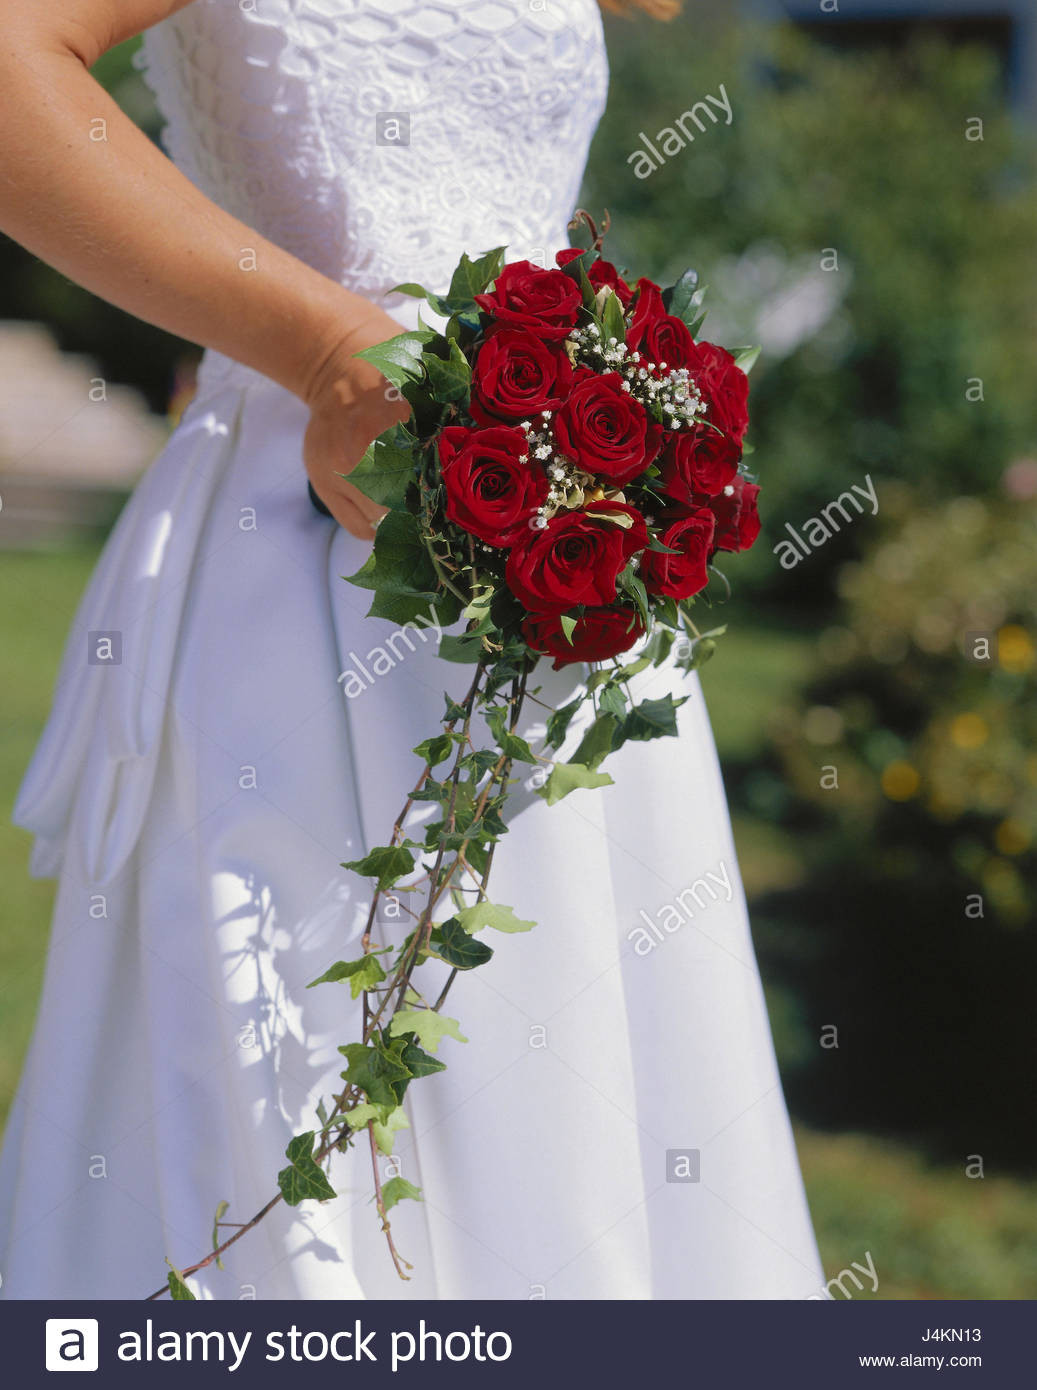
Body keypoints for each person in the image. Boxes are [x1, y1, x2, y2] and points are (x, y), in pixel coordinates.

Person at [0, 0, 824, 1299]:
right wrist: (326, 348)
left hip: (557, 574)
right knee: (314, 1052)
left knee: (570, 1076)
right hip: (319, 549)